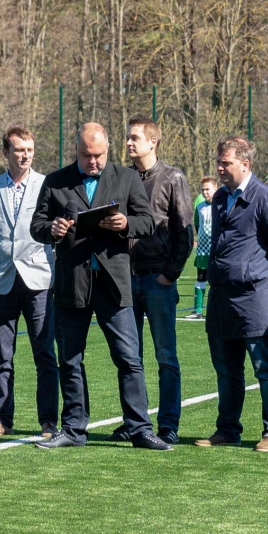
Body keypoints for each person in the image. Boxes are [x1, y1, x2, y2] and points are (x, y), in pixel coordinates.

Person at [29, 122, 170, 451]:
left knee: (129, 359)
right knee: (70, 359)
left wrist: (126, 224)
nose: (93, 161)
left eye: (99, 155)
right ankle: (74, 430)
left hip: (114, 283)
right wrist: (53, 228)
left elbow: (148, 221)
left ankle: (139, 429)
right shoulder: (55, 181)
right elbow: (36, 224)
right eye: (86, 155)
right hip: (71, 283)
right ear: (75, 150)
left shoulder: (127, 177)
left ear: (109, 149)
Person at [196, 136, 268, 453]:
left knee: (266, 367)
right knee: (226, 370)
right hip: (222, 298)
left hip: (256, 298)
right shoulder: (219, 198)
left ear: (245, 164)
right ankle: (227, 429)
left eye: (226, 162)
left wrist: (261, 277)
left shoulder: (266, 198)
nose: (220, 168)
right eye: (219, 162)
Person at [106, 116, 193, 445]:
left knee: (165, 356)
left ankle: (168, 424)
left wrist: (169, 274)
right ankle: (134, 422)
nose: (129, 143)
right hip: (124, 279)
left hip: (157, 280)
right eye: (127, 138)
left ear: (153, 142)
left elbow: (185, 231)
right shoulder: (120, 178)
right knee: (129, 357)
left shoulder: (172, 178)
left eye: (135, 138)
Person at [0, 126, 59, 439]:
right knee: (2, 356)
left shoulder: (47, 185)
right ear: (5, 153)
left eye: (29, 150)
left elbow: (55, 233)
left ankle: (49, 422)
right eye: (19, 150)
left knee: (45, 355)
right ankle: (1, 420)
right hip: (0, 282)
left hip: (38, 280)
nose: (25, 156)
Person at [186, 176, 217, 319]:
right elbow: (198, 227)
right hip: (203, 250)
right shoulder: (200, 207)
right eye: (203, 190)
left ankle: (217, 310)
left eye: (208, 189)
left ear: (215, 189)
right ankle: (197, 310)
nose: (205, 192)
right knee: (200, 278)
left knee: (216, 280)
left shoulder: (221, 205)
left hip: (217, 250)